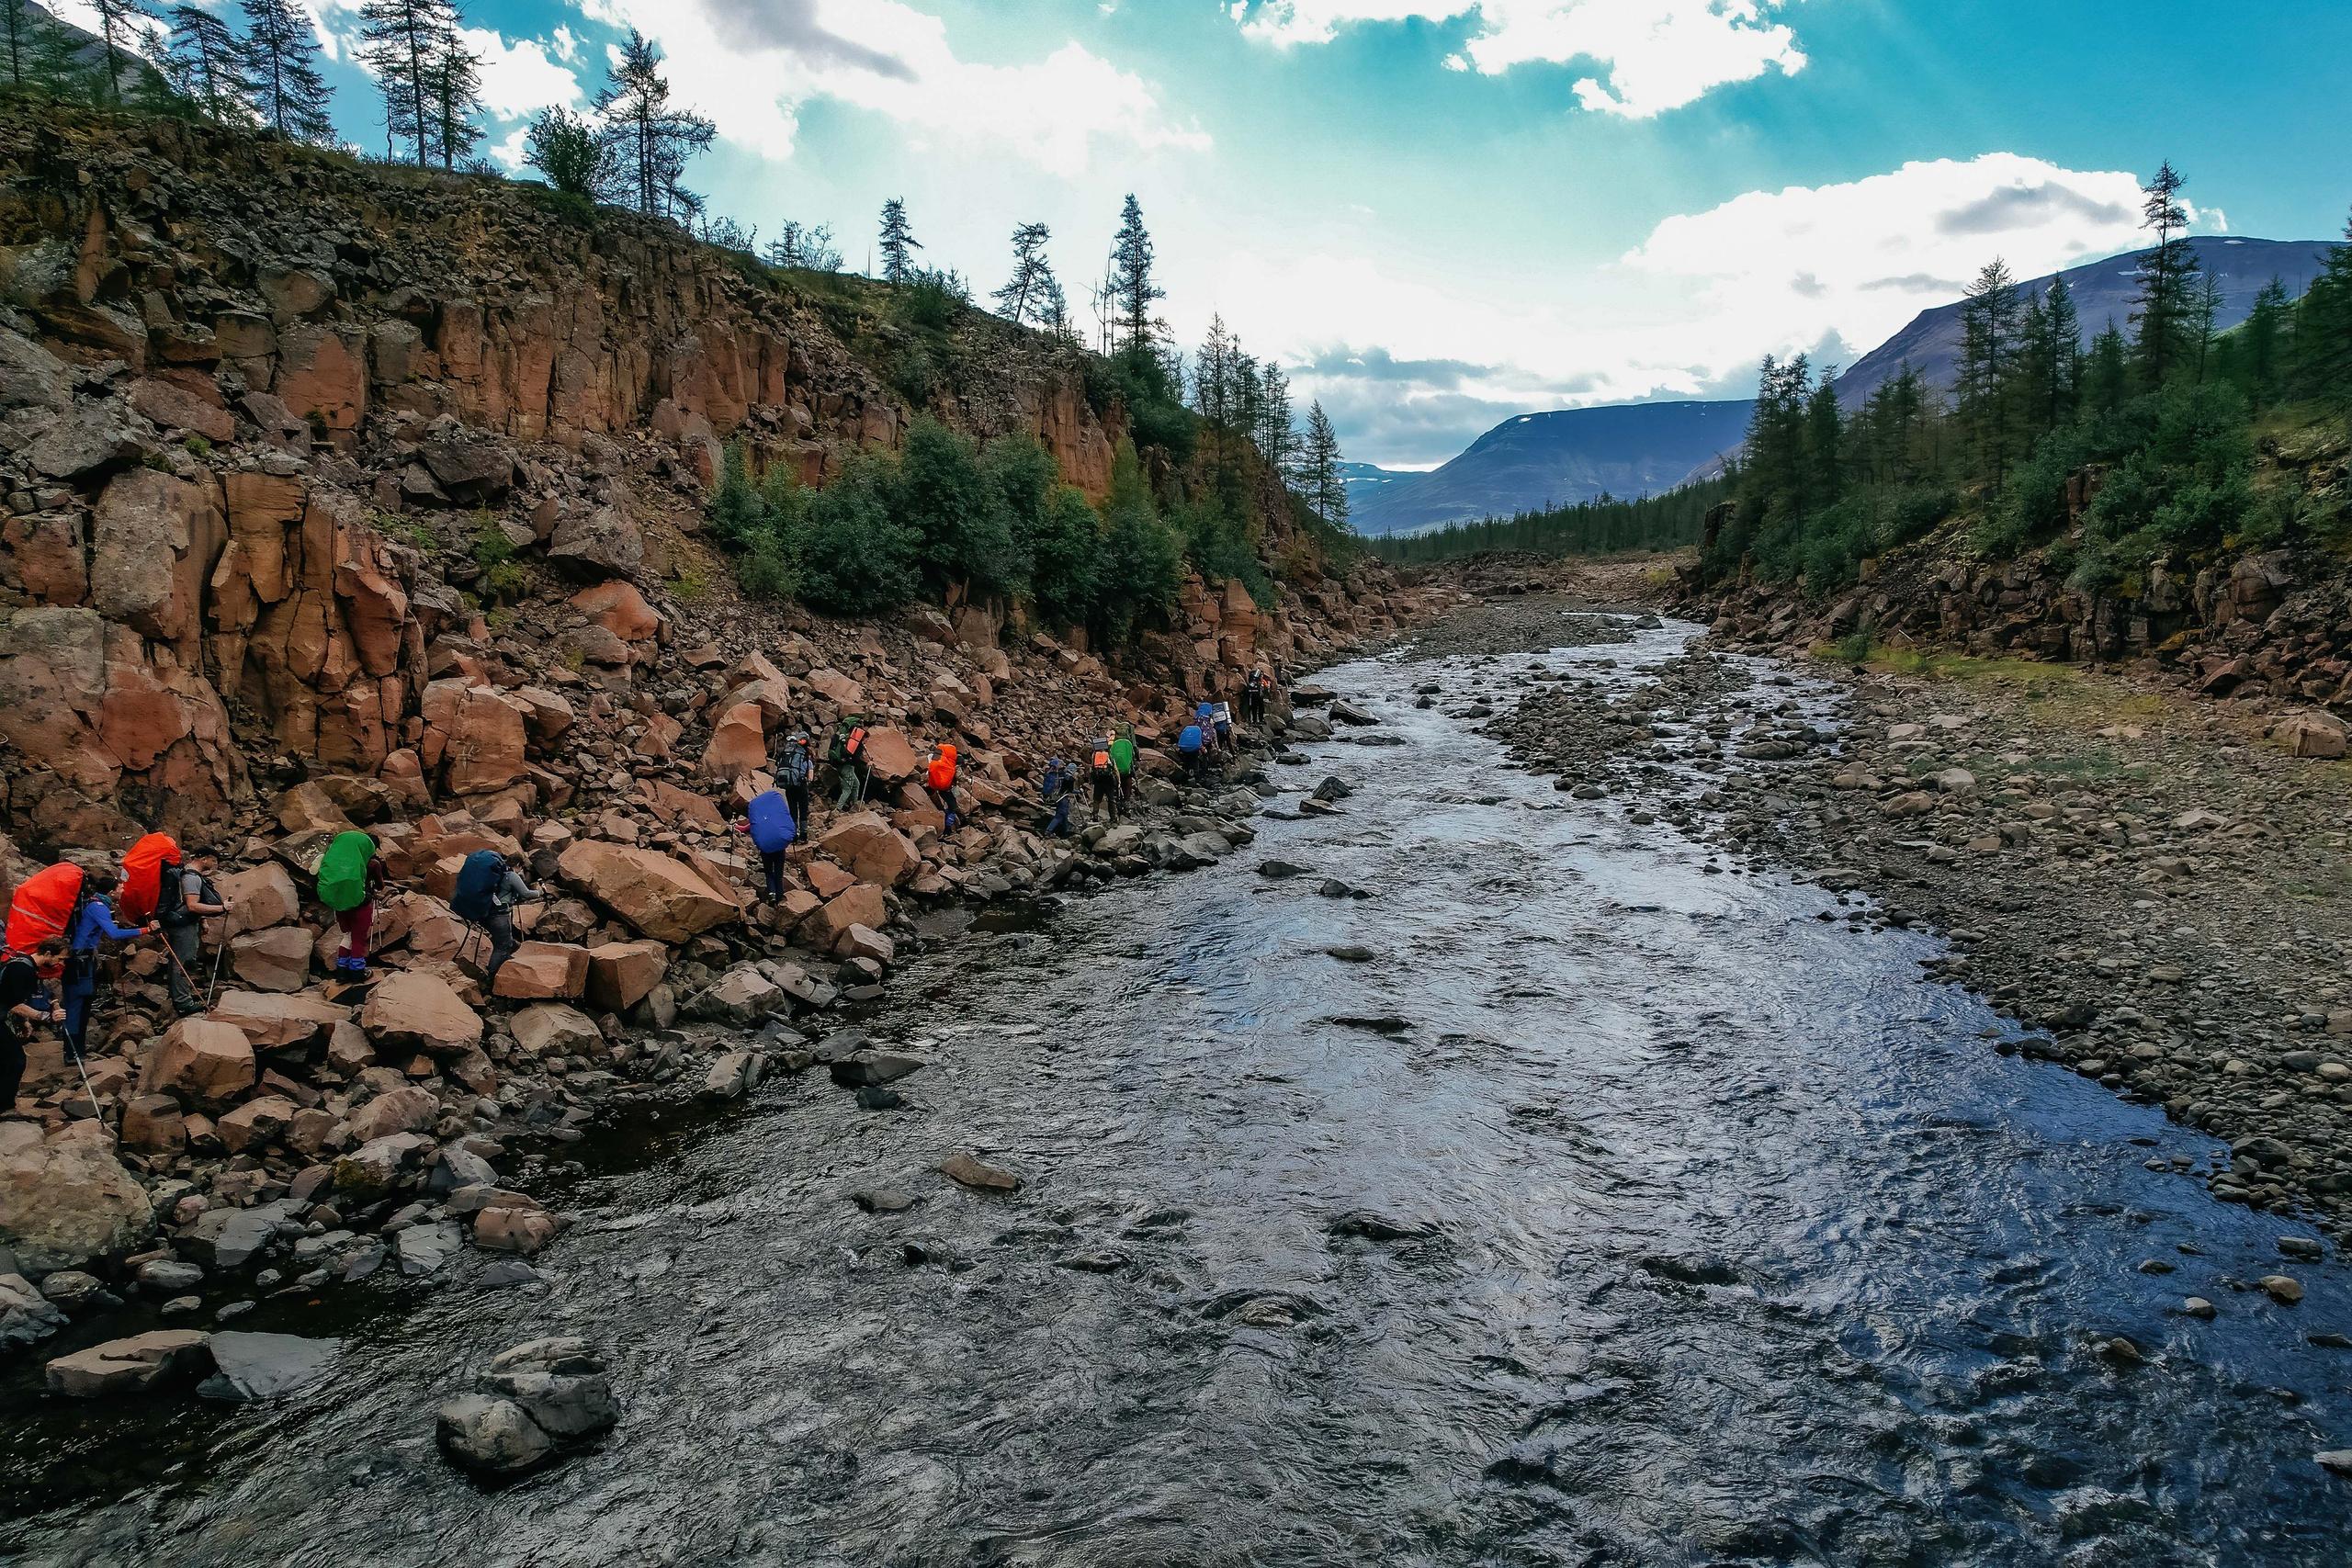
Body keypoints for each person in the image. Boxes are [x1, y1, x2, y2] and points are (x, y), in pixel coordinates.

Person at [64, 867, 149, 1061]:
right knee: (78, 1005)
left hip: (77, 957)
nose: (123, 891)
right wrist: (145, 930)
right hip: (81, 960)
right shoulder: (99, 907)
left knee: (79, 1004)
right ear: (111, 892)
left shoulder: (91, 903)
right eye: (120, 888)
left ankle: (75, 1051)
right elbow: (114, 934)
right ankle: (73, 1053)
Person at [154, 844, 225, 1017]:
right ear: (204, 859)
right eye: (213, 860)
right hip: (183, 924)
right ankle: (183, 1003)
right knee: (184, 962)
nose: (214, 864)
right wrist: (222, 908)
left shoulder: (184, 872)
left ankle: (178, 996)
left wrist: (202, 921)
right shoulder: (191, 877)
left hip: (178, 921)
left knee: (177, 960)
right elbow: (192, 905)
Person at [1, 936, 67, 1116]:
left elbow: (15, 997)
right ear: (48, 953)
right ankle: (5, 1107)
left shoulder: (24, 963)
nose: (60, 964)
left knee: (9, 1059)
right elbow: (14, 1003)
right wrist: (45, 1017)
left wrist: (23, 1021)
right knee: (15, 1060)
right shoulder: (22, 970)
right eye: (59, 959)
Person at [316, 829, 387, 976]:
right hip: (361, 904)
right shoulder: (373, 864)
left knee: (347, 936)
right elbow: (380, 886)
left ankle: (342, 971)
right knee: (358, 939)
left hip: (340, 903)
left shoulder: (339, 862)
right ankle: (357, 971)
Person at [480, 853, 543, 984]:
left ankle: (500, 970)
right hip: (499, 914)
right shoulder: (511, 875)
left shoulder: (496, 872)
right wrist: (540, 892)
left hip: (485, 912)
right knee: (503, 946)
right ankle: (491, 979)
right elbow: (526, 894)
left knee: (502, 942)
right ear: (518, 865)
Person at [741, 787, 798, 901]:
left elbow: (750, 828)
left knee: (769, 872)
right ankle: (779, 897)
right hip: (779, 847)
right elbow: (787, 820)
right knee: (778, 873)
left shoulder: (759, 818)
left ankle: (772, 894)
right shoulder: (776, 816)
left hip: (765, 849)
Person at [775, 732, 816, 833]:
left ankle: (794, 832)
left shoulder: (785, 755)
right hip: (801, 785)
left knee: (792, 809)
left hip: (789, 785)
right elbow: (810, 778)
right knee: (803, 809)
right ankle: (803, 833)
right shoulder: (805, 757)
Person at [830, 716, 870, 810]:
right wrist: (866, 765)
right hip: (847, 768)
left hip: (843, 766)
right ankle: (838, 808)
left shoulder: (849, 742)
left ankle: (854, 804)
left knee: (856, 784)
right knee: (847, 790)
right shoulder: (858, 746)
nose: (866, 742)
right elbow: (855, 760)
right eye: (866, 739)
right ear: (863, 738)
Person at [925, 742, 959, 831]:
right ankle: (948, 825)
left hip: (934, 787)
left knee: (940, 805)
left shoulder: (935, 760)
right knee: (953, 806)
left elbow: (929, 772)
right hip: (946, 788)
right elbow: (958, 776)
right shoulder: (950, 764)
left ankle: (943, 814)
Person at [1039, 758, 1075, 837]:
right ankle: (1048, 831)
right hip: (1061, 797)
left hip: (1052, 796)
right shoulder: (1063, 775)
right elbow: (1069, 788)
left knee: (1064, 814)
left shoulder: (1050, 774)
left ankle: (1065, 832)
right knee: (1060, 815)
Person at [1089, 742, 1122, 824]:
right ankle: (1113, 817)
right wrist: (1119, 781)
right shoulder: (1109, 756)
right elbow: (1115, 769)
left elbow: (1091, 769)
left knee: (1097, 799)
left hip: (1098, 780)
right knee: (1111, 799)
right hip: (1109, 780)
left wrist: (1091, 780)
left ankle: (1095, 816)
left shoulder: (1095, 755)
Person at [1110, 726, 1137, 803]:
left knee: (1116, 783)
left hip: (1116, 771)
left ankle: (1116, 797)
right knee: (1127, 783)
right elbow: (1132, 756)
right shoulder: (1129, 743)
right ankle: (1127, 800)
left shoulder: (1113, 744)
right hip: (1126, 771)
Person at [1178, 720, 1205, 785]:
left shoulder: (1186, 730)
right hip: (1194, 750)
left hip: (1184, 749)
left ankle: (1185, 780)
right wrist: (1204, 751)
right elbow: (1200, 743)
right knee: (1195, 763)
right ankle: (1197, 780)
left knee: (1187, 763)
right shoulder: (1197, 731)